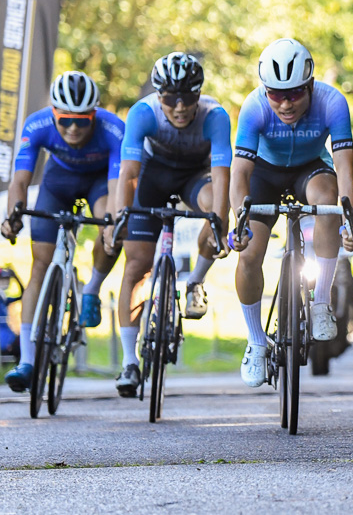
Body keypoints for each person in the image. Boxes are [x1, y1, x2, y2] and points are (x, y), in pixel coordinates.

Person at [229, 38, 353, 387]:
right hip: (265, 174)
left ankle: (320, 304)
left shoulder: (332, 102)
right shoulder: (253, 106)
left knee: (329, 200)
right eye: (277, 94)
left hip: (310, 169)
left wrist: (351, 221)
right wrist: (238, 221)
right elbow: (240, 173)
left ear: (311, 86)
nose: (286, 103)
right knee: (249, 255)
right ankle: (257, 341)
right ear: (265, 90)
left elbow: (346, 172)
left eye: (295, 94)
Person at [111, 53, 231, 397]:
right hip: (154, 176)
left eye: (188, 98)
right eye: (170, 99)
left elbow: (222, 179)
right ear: (158, 94)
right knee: (136, 264)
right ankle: (129, 361)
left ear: (199, 95)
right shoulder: (143, 112)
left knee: (215, 210)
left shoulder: (216, 116)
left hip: (196, 177)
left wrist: (218, 221)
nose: (179, 108)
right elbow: (129, 173)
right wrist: (122, 215)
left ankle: (195, 282)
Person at [1, 72, 124, 392]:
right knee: (39, 266)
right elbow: (20, 181)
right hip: (59, 182)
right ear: (53, 113)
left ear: (94, 116)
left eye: (82, 122)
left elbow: (116, 188)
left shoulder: (113, 129)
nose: (73, 128)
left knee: (109, 232)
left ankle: (91, 289)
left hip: (100, 183)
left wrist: (111, 225)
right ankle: (26, 361)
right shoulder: (37, 124)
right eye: (65, 120)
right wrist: (13, 215)